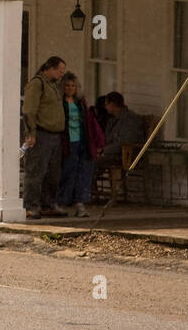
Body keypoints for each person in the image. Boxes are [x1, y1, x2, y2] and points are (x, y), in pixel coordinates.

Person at [22, 56, 68, 219]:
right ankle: (30, 205)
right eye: (60, 71)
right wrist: (30, 133)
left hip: (55, 136)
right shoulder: (37, 84)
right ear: (50, 68)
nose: (61, 75)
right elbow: (29, 110)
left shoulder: (53, 86)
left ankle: (48, 204)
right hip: (41, 134)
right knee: (35, 172)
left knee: (52, 173)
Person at [56, 73, 104, 217]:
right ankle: (62, 202)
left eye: (73, 86)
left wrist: (98, 142)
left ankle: (80, 204)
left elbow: (91, 124)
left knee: (84, 173)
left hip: (83, 142)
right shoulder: (59, 103)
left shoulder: (81, 103)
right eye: (67, 86)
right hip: (67, 143)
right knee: (67, 173)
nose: (70, 88)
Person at [95, 91, 144, 176]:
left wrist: (104, 150)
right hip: (112, 153)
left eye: (106, 104)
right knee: (88, 159)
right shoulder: (112, 119)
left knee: (93, 163)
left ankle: (87, 186)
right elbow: (107, 139)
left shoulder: (129, 119)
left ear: (113, 104)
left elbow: (124, 142)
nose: (105, 107)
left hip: (125, 155)